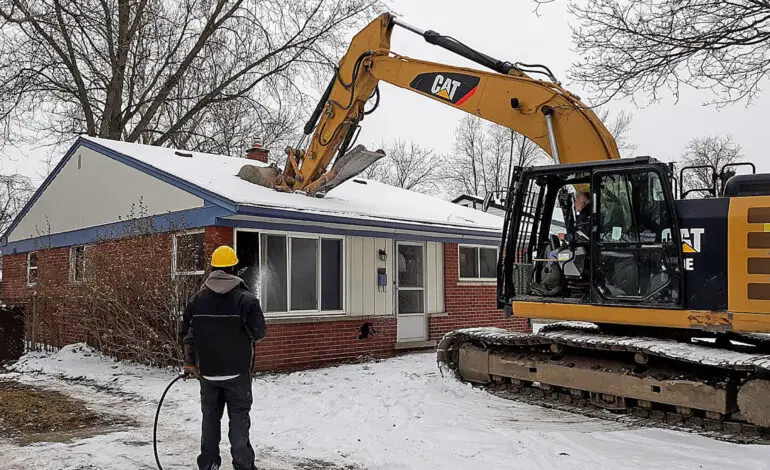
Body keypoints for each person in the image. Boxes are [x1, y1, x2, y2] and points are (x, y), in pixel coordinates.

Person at [180, 245, 266, 470]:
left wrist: (190, 363)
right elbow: (259, 333)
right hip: (238, 373)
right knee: (238, 418)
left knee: (210, 419)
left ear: (213, 268)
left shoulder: (196, 300)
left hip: (208, 372)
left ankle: (208, 463)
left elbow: (186, 335)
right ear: (234, 268)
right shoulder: (246, 300)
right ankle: (243, 464)